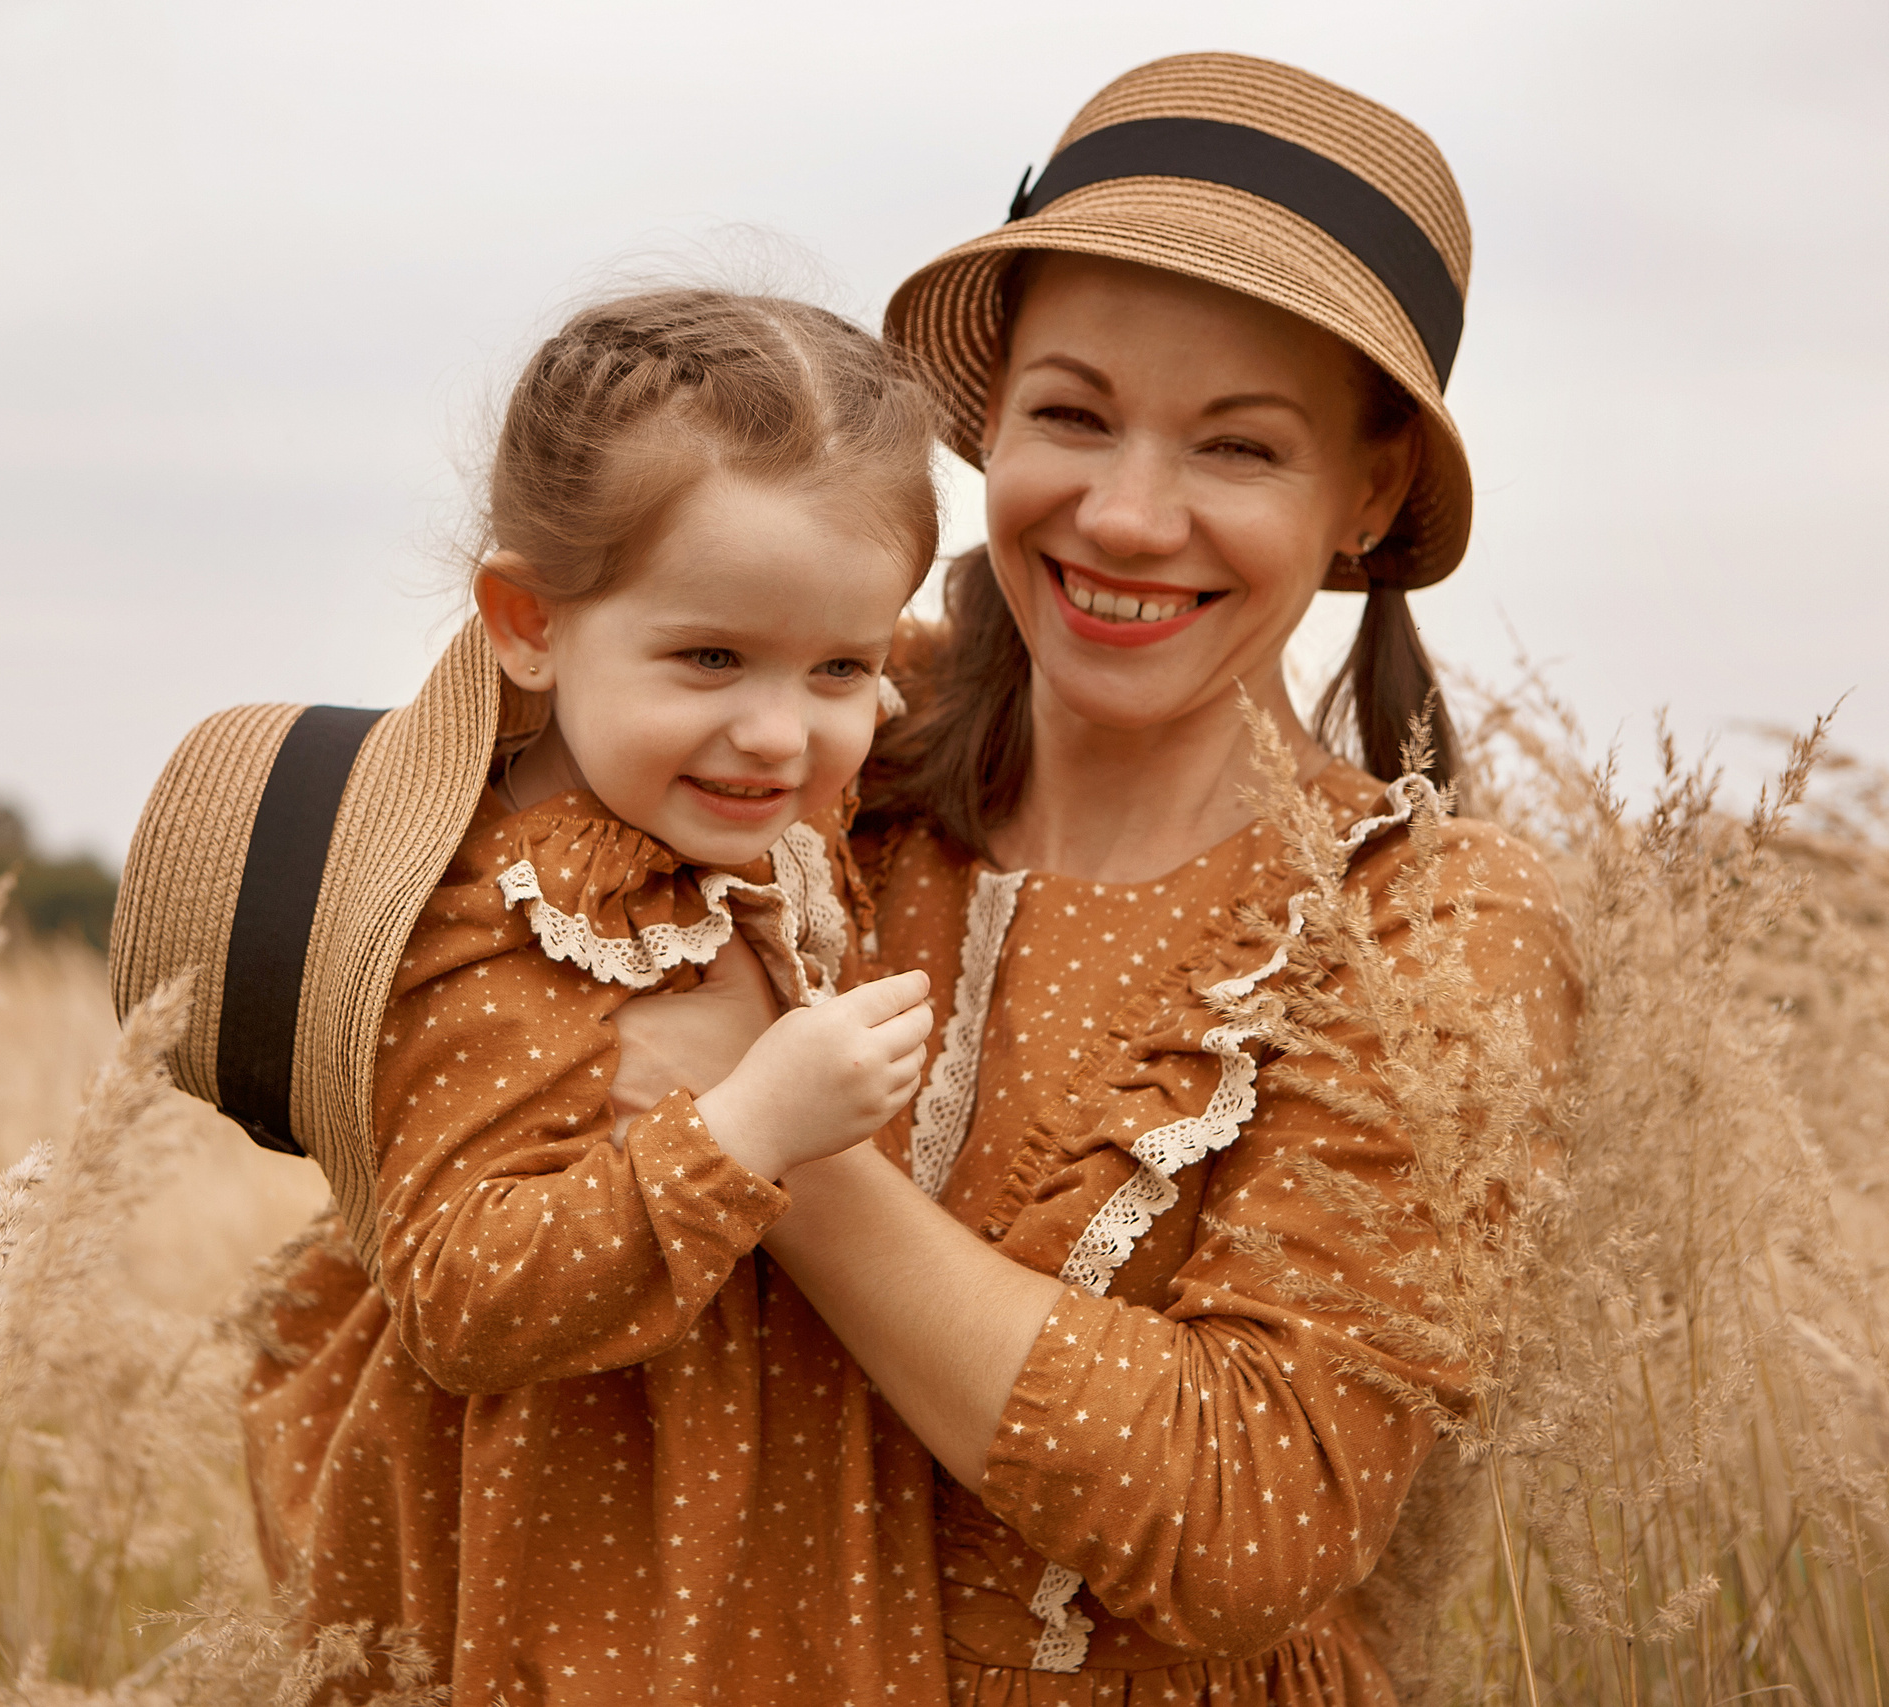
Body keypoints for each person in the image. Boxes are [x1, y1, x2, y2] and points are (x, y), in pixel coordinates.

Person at [606, 53, 1583, 1707]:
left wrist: (771, 1140)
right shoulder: (819, 756)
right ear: (987, 424)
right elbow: (439, 889)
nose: (1128, 517)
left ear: (1373, 490)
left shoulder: (1431, 927)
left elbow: (1250, 1521)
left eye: (1238, 449)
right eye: (1072, 414)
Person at [237, 287, 957, 1706]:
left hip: (769, 1512)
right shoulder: (502, 920)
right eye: (709, 657)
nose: (776, 731)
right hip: (591, 1551)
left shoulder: (743, 793)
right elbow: (460, 1294)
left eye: (840, 667)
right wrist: (747, 1126)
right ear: (528, 624)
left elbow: (910, 654)